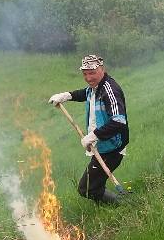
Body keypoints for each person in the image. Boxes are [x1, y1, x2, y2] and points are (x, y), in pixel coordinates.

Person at [48, 54, 128, 204]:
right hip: (102, 146)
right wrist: (66, 96)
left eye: (92, 73)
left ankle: (123, 204)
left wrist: (93, 136)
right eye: (85, 74)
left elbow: (118, 121)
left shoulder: (109, 90)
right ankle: (111, 207)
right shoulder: (94, 88)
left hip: (112, 148)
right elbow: (83, 93)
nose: (88, 78)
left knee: (86, 189)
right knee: (94, 184)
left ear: (102, 69)